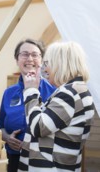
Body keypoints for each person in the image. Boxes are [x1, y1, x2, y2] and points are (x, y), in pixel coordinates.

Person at [19, 41, 95, 171]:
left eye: (47, 63)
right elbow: (53, 122)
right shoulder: (77, 89)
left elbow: (38, 127)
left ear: (60, 64)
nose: (45, 69)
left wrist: (31, 91)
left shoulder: (69, 93)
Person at [0, 38, 56, 172]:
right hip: (14, 158)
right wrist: (7, 138)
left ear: (41, 60)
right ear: (17, 60)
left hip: (44, 161)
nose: (30, 58)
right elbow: (0, 127)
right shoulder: (8, 93)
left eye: (35, 55)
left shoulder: (53, 91)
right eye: (24, 54)